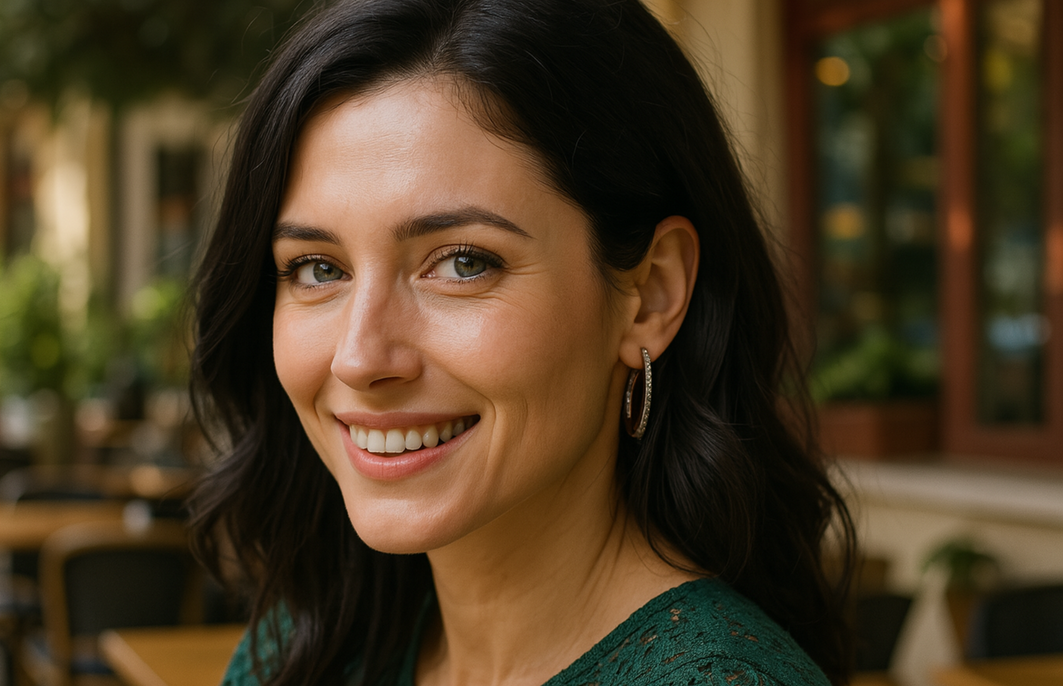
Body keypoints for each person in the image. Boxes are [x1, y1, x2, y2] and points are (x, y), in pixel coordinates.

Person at [188, 0, 857, 684]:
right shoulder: (305, 651)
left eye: (463, 263)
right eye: (318, 269)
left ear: (650, 294)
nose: (359, 357)